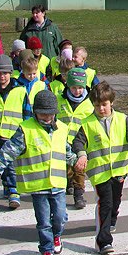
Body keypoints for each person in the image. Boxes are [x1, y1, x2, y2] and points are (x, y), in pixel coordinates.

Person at [0, 90, 79, 255]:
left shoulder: (62, 128)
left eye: (49, 114)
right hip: (38, 187)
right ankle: (46, 249)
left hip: (58, 183)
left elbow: (67, 151)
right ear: (35, 111)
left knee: (60, 217)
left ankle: (57, 236)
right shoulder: (26, 129)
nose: (46, 118)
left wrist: (78, 162)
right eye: (42, 114)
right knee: (44, 221)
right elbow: (9, 150)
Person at [72, 81, 128, 255]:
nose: (101, 109)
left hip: (119, 170)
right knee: (105, 203)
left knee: (115, 200)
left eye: (104, 105)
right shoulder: (87, 123)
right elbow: (78, 142)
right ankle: (103, 241)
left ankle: (112, 220)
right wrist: (82, 154)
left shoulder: (122, 119)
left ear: (111, 102)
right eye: (97, 105)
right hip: (100, 173)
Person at [0, 54, 28, 209]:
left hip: (15, 134)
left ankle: (14, 191)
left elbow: (27, 112)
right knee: (3, 162)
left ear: (11, 73)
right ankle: (7, 185)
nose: (2, 76)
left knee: (10, 164)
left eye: (5, 73)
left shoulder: (20, 91)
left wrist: (28, 131)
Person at [58, 67, 93, 210]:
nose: (77, 91)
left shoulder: (89, 103)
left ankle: (79, 195)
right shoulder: (59, 100)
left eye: (80, 87)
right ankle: (68, 183)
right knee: (65, 168)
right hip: (62, 141)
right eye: (74, 87)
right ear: (68, 85)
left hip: (80, 141)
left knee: (79, 168)